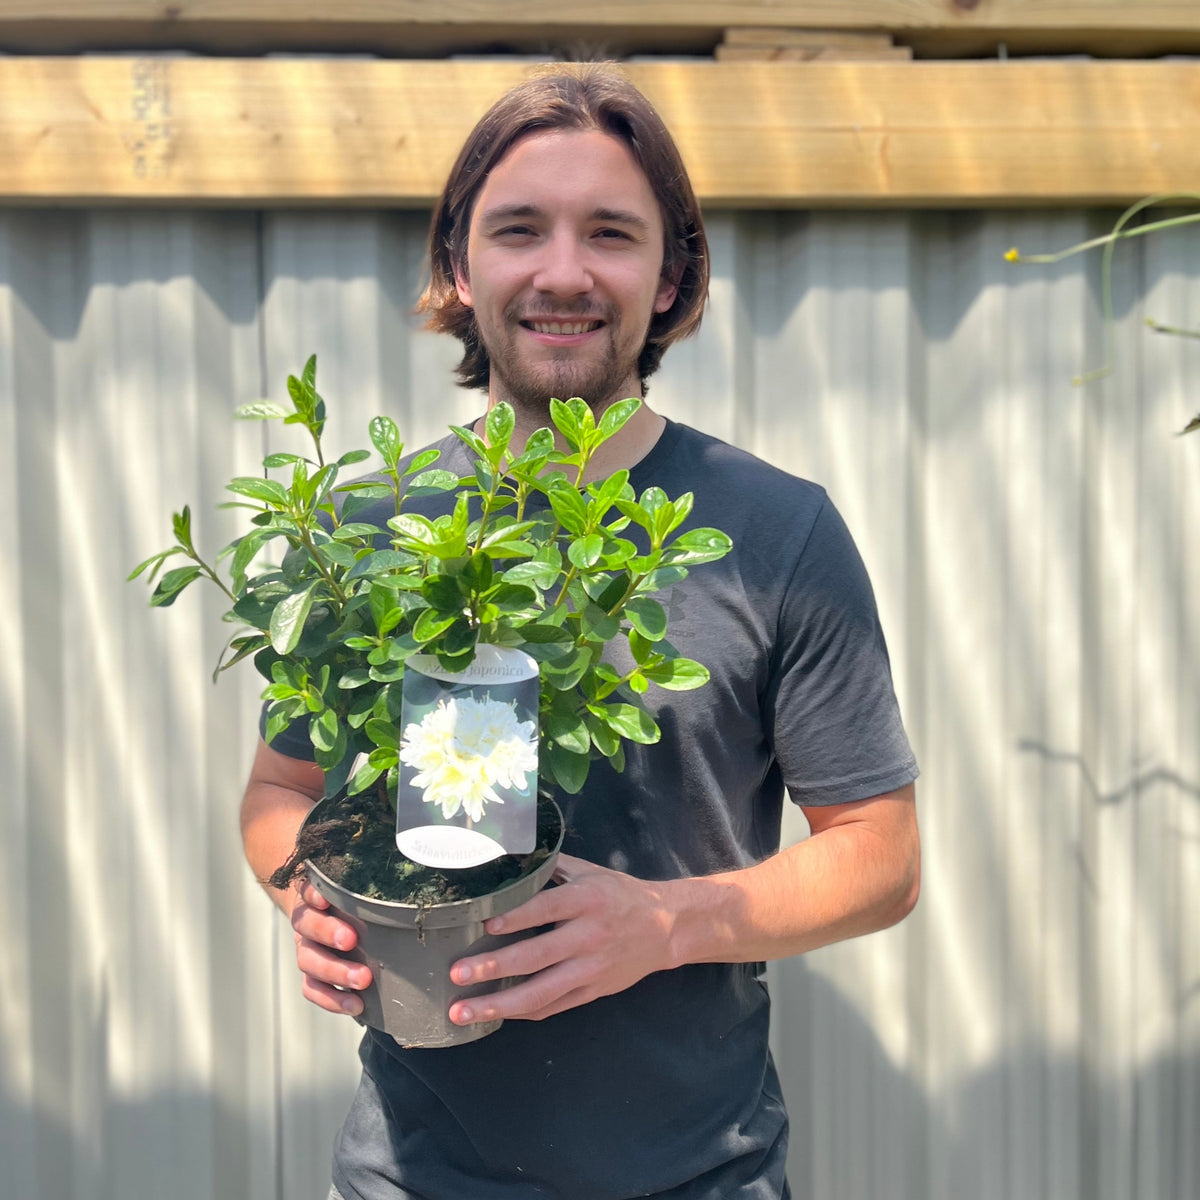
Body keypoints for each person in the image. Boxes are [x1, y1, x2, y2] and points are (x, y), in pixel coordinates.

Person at [240, 64, 920, 1200]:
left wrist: (666, 921)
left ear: (670, 277)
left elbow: (882, 856)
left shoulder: (776, 530)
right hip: (411, 1179)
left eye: (610, 232)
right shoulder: (375, 531)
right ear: (462, 269)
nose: (564, 272)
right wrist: (304, 896)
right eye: (519, 230)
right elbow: (279, 795)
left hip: (701, 1178)